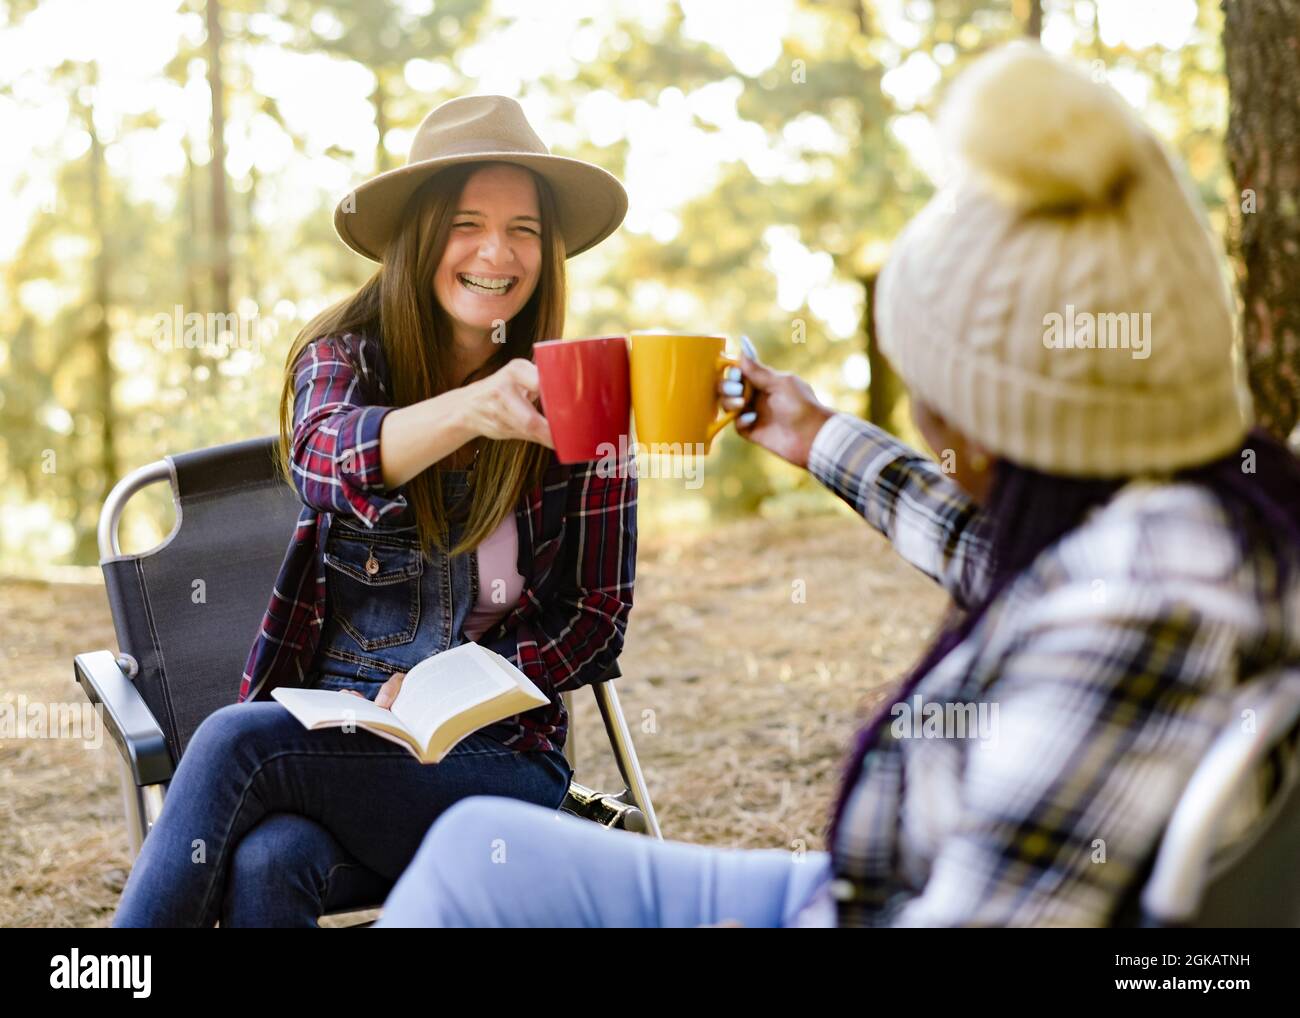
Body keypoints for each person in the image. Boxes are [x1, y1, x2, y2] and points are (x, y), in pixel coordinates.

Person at [372, 43, 1300, 928]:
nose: (925, 417)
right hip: (874, 886)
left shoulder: (1130, 629)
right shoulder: (1188, 529)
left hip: (882, 904)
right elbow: (1003, 557)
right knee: (473, 848)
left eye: (933, 387)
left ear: (1003, 424)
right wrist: (814, 435)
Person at [112, 95, 636, 927]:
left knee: (229, 740)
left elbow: (597, 617)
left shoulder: (584, 398)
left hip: (496, 767)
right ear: (419, 236)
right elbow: (324, 462)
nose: (497, 252)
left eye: (525, 230)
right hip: (341, 744)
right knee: (270, 861)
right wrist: (472, 408)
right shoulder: (341, 359)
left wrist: (460, 680)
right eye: (467, 223)